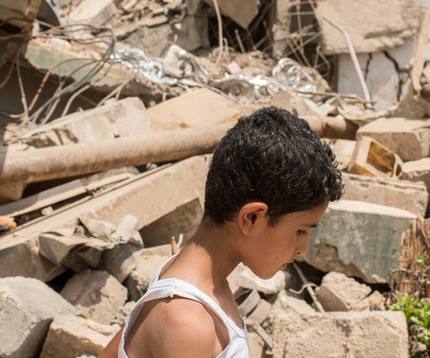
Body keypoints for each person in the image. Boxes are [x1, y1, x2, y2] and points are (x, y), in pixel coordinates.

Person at [99, 106, 344, 358]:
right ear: (252, 217)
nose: (303, 248)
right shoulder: (186, 321)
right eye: (301, 230)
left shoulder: (185, 278)